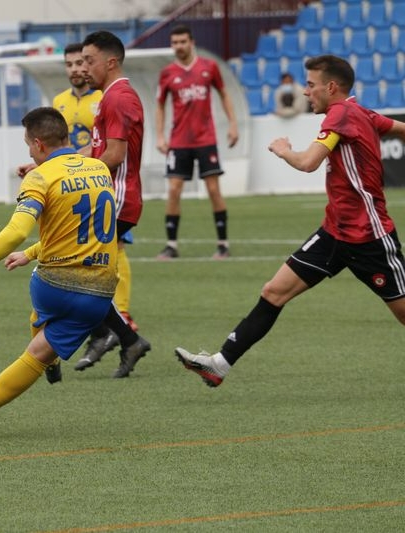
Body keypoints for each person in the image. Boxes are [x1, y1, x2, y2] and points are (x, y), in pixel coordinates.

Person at [175, 54, 405, 388]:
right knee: (274, 291)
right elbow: (398, 127)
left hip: (369, 237)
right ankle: (219, 365)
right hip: (334, 234)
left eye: (311, 85)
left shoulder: (341, 114)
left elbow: (310, 161)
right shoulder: (358, 112)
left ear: (331, 86)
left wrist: (283, 149)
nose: (305, 92)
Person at [0, 106, 119, 438]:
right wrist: (32, 252)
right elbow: (81, 230)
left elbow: (17, 230)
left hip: (54, 285)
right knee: (39, 348)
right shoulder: (100, 169)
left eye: (28, 145)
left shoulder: (40, 177)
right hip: (100, 294)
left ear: (38, 144)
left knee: (41, 305)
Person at [51, 40, 143, 377]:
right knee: (80, 273)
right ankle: (123, 337)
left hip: (115, 198)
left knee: (74, 270)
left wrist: (76, 177)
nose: (84, 68)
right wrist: (54, 167)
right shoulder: (111, 97)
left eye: (89, 61)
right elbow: (97, 147)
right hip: (110, 195)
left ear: (111, 61)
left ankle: (108, 334)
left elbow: (114, 156)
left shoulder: (118, 98)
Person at [155, 25, 239, 260]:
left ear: (191, 42)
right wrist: (160, 135)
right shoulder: (167, 73)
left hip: (205, 139)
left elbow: (224, 94)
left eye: (183, 41)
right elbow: (160, 105)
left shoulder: (209, 67)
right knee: (173, 190)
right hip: (179, 141)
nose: (179, 46)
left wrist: (233, 125)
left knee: (213, 190)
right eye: (175, 42)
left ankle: (223, 244)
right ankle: (171, 245)